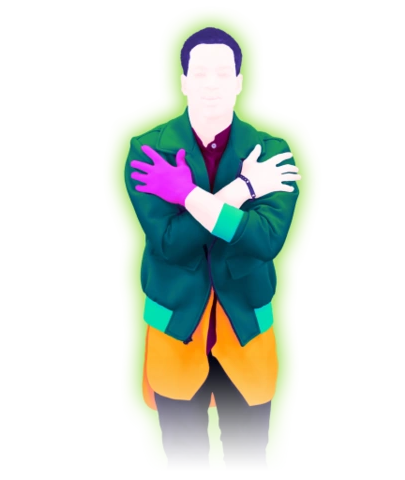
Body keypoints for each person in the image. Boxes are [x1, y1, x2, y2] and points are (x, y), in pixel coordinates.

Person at [124, 27, 301, 472]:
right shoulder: (147, 151)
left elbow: (265, 241)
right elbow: (169, 244)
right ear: (182, 80)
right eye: (200, 72)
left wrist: (186, 195)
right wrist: (243, 191)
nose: (211, 84)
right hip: (174, 331)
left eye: (223, 72)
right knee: (184, 462)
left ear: (240, 81)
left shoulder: (272, 154)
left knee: (249, 460)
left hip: (247, 333)